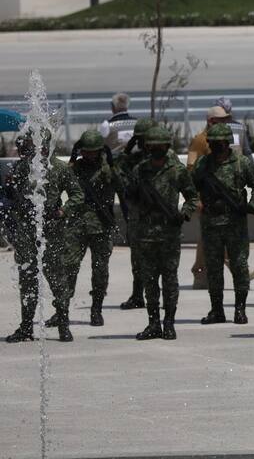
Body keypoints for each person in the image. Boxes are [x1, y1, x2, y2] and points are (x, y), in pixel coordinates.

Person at [3, 128, 84, 343]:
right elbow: (13, 196)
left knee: (57, 280)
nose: (35, 149)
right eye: (32, 145)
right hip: (27, 233)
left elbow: (77, 194)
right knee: (28, 280)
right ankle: (26, 327)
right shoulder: (23, 167)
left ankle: (63, 325)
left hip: (52, 232)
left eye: (38, 145)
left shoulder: (59, 168)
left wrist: (63, 211)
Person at [127, 126, 198, 341]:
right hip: (146, 234)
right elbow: (129, 198)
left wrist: (184, 214)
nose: (157, 149)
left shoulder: (177, 170)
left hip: (169, 234)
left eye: (161, 146)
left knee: (170, 281)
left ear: (167, 146)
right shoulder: (140, 171)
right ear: (147, 147)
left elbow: (192, 197)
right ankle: (153, 323)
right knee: (149, 281)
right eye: (153, 146)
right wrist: (139, 200)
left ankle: (169, 323)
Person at [193, 123, 254, 326]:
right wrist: (197, 202)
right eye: (213, 142)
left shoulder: (241, 163)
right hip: (211, 223)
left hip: (235, 223)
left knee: (240, 267)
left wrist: (252, 205)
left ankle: (240, 310)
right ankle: (217, 310)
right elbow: (191, 186)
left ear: (228, 142)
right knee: (214, 269)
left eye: (221, 142)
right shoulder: (203, 164)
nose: (217, 146)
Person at [64, 129, 122, 327]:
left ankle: (96, 309)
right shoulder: (74, 169)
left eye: (93, 151)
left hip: (101, 226)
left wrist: (109, 163)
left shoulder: (107, 170)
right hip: (76, 226)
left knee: (100, 270)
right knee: (69, 267)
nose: (89, 155)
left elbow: (121, 184)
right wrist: (73, 158)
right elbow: (61, 181)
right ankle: (62, 310)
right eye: (85, 151)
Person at [114, 117, 155, 311]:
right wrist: (127, 150)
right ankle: (138, 295)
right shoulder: (134, 159)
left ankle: (160, 296)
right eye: (139, 139)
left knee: (161, 261)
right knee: (137, 260)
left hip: (158, 217)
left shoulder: (164, 158)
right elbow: (116, 170)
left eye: (145, 139)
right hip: (137, 217)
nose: (143, 143)